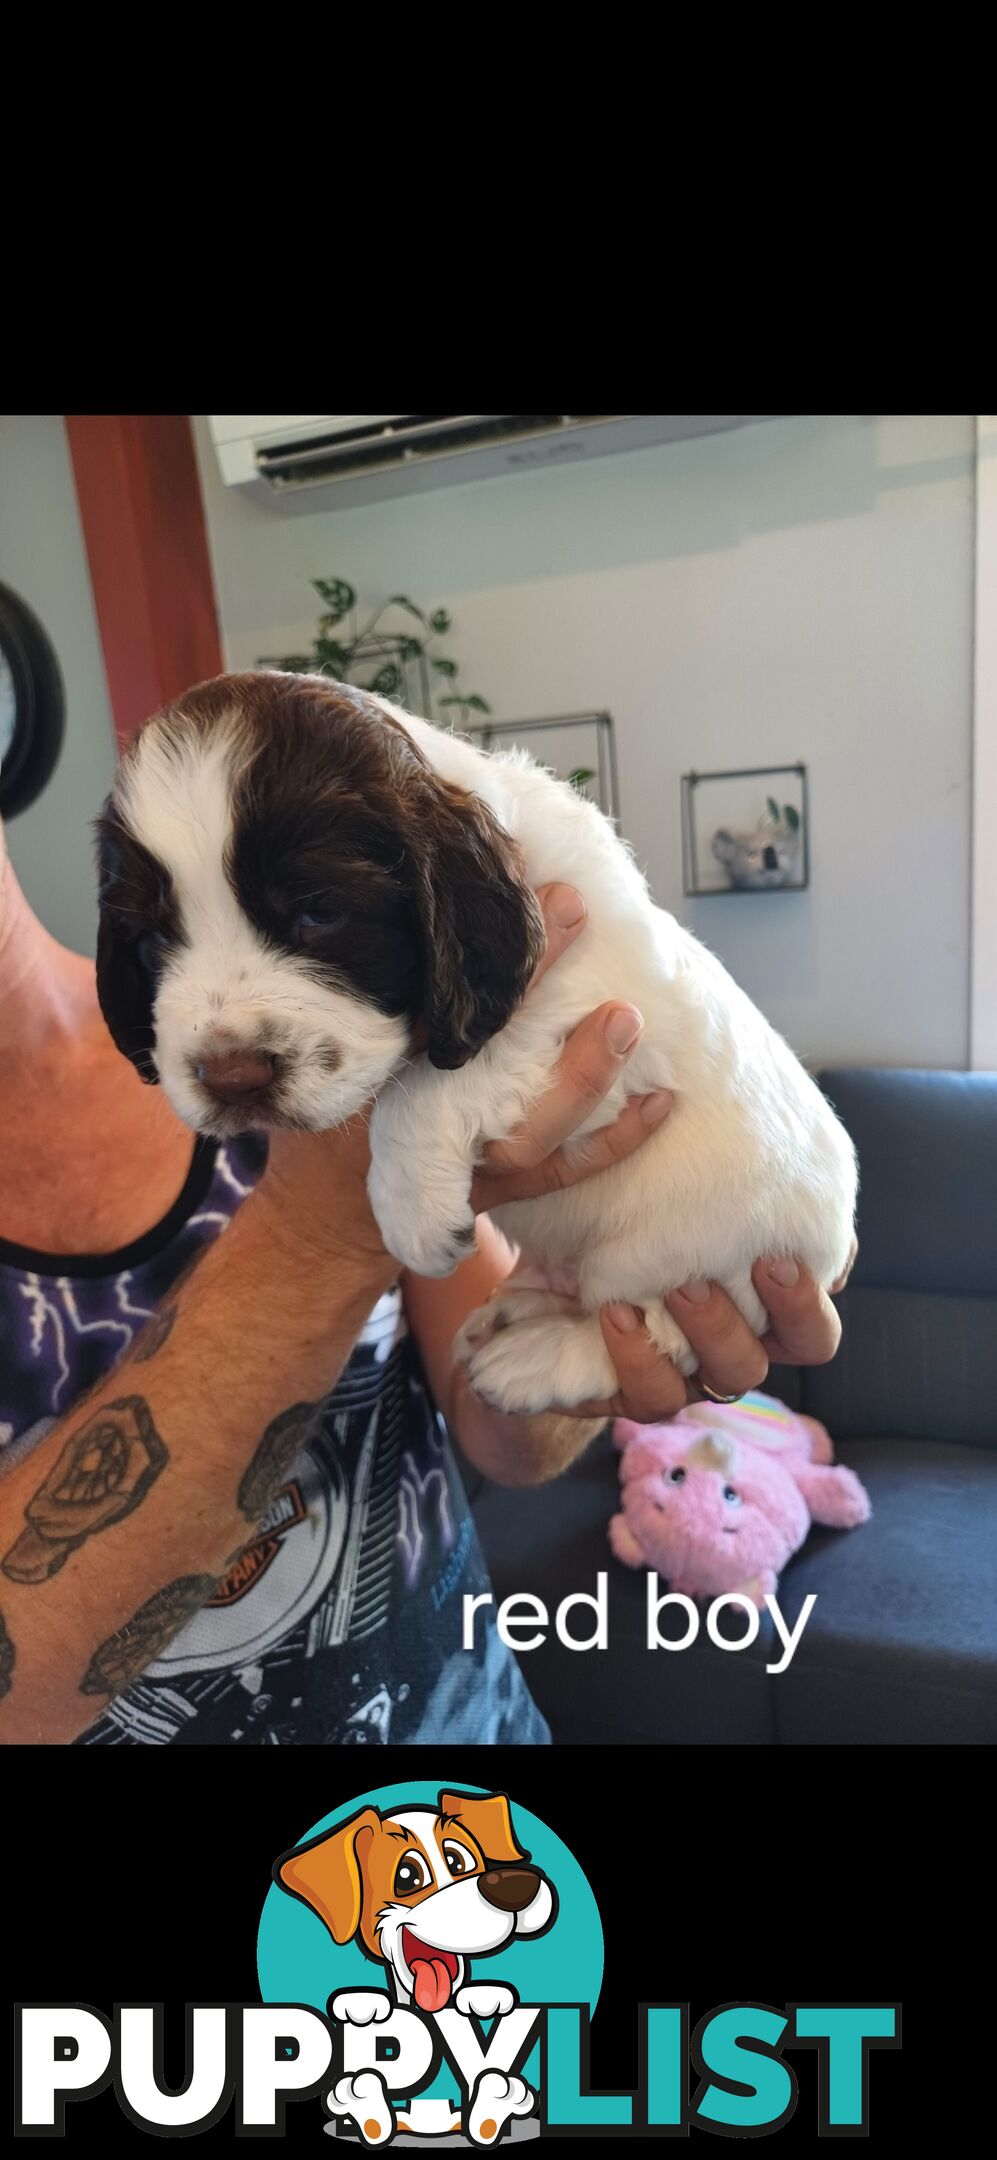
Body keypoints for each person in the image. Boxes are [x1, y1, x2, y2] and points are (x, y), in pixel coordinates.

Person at [0, 810, 847, 1745]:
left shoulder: (282, 1012)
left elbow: (507, 1440)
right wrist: (321, 1235)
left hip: (463, 1781)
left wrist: (597, 1308)